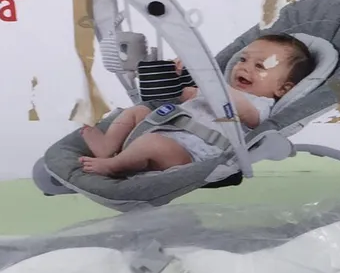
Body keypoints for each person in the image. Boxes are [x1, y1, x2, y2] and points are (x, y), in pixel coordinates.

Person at [80, 34, 313, 177]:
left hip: (188, 154)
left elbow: (239, 108)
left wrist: (206, 82)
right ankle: (108, 146)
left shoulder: (260, 105)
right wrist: (180, 75)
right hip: (164, 127)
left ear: (282, 88)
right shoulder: (219, 87)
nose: (244, 67)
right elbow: (185, 97)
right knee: (137, 112)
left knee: (151, 143)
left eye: (260, 66)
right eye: (243, 59)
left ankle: (114, 165)